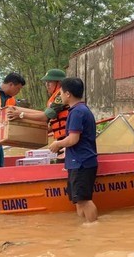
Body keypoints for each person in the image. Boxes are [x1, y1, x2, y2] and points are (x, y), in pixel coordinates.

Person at [49, 77, 98, 223]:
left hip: (82, 162)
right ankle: (85, 228)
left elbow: (73, 139)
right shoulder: (78, 110)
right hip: (76, 162)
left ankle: (94, 228)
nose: (60, 96)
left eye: (61, 93)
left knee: (84, 200)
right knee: (78, 200)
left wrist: (58, 145)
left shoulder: (77, 112)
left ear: (68, 94)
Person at [7, 68, 69, 142]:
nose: (47, 85)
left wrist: (21, 115)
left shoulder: (61, 96)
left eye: (49, 82)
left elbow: (45, 117)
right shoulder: (54, 97)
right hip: (62, 137)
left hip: (67, 137)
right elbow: (52, 123)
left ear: (59, 83)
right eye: (46, 82)